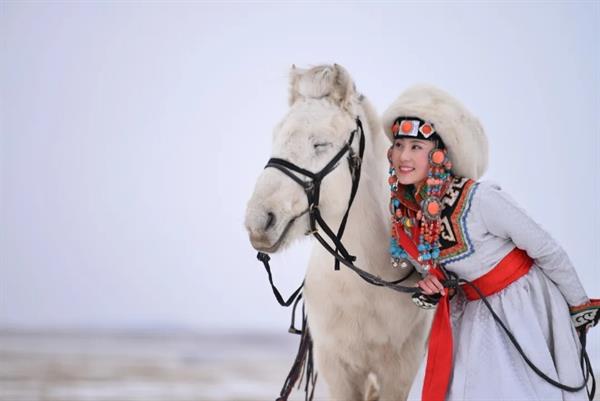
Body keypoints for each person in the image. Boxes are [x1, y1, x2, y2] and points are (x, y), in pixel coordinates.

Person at [381, 85, 599, 401]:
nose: (403, 156)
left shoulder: (480, 200)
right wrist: (432, 287)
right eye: (399, 145)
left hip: (523, 311)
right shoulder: (407, 220)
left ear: (439, 153)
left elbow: (545, 248)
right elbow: (436, 276)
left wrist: (579, 305)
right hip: (470, 317)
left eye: (416, 146)